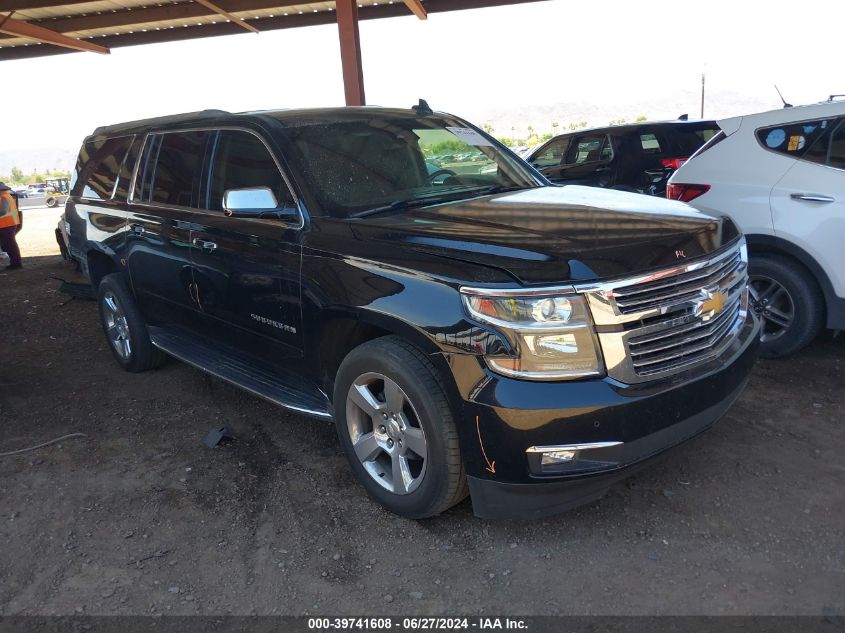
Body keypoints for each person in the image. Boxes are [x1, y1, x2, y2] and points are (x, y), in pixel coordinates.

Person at [0, 182, 22, 270]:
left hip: (7, 224)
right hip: (8, 224)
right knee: (9, 245)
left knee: (10, 245)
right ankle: (16, 263)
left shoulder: (3, 197)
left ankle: (16, 263)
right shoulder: (5, 195)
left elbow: (3, 211)